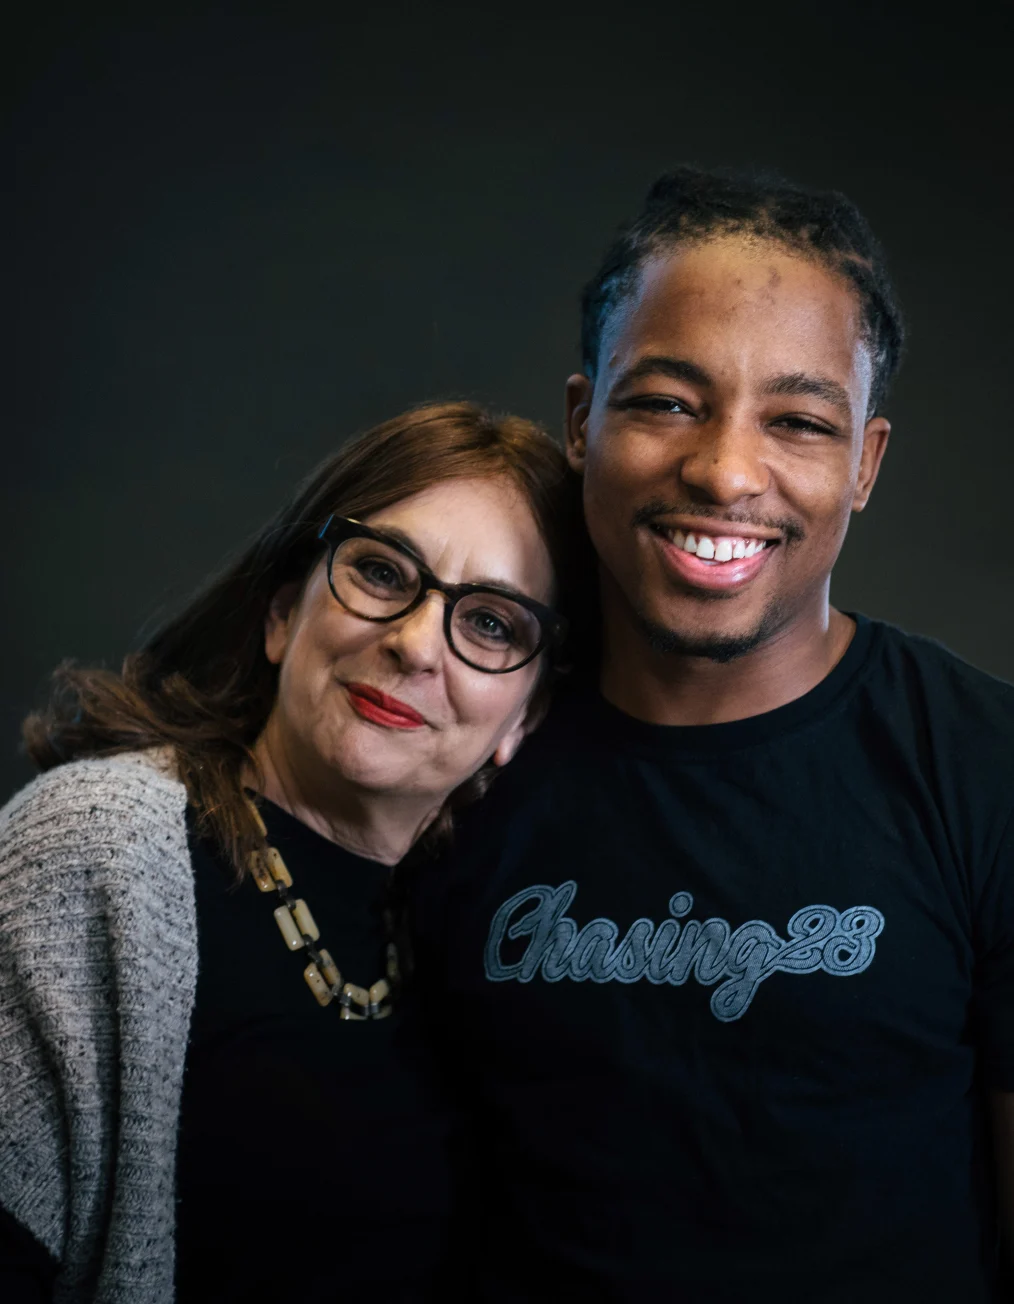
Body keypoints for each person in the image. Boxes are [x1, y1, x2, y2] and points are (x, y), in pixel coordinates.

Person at [415, 169, 1014, 1302]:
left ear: (865, 463)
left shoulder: (984, 772)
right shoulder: (452, 743)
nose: (727, 470)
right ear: (584, 419)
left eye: (796, 420)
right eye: (668, 402)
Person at [0, 400, 576, 1304]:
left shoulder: (474, 934)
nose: (416, 643)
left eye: (492, 624)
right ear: (281, 613)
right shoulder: (96, 851)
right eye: (383, 573)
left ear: (524, 720)